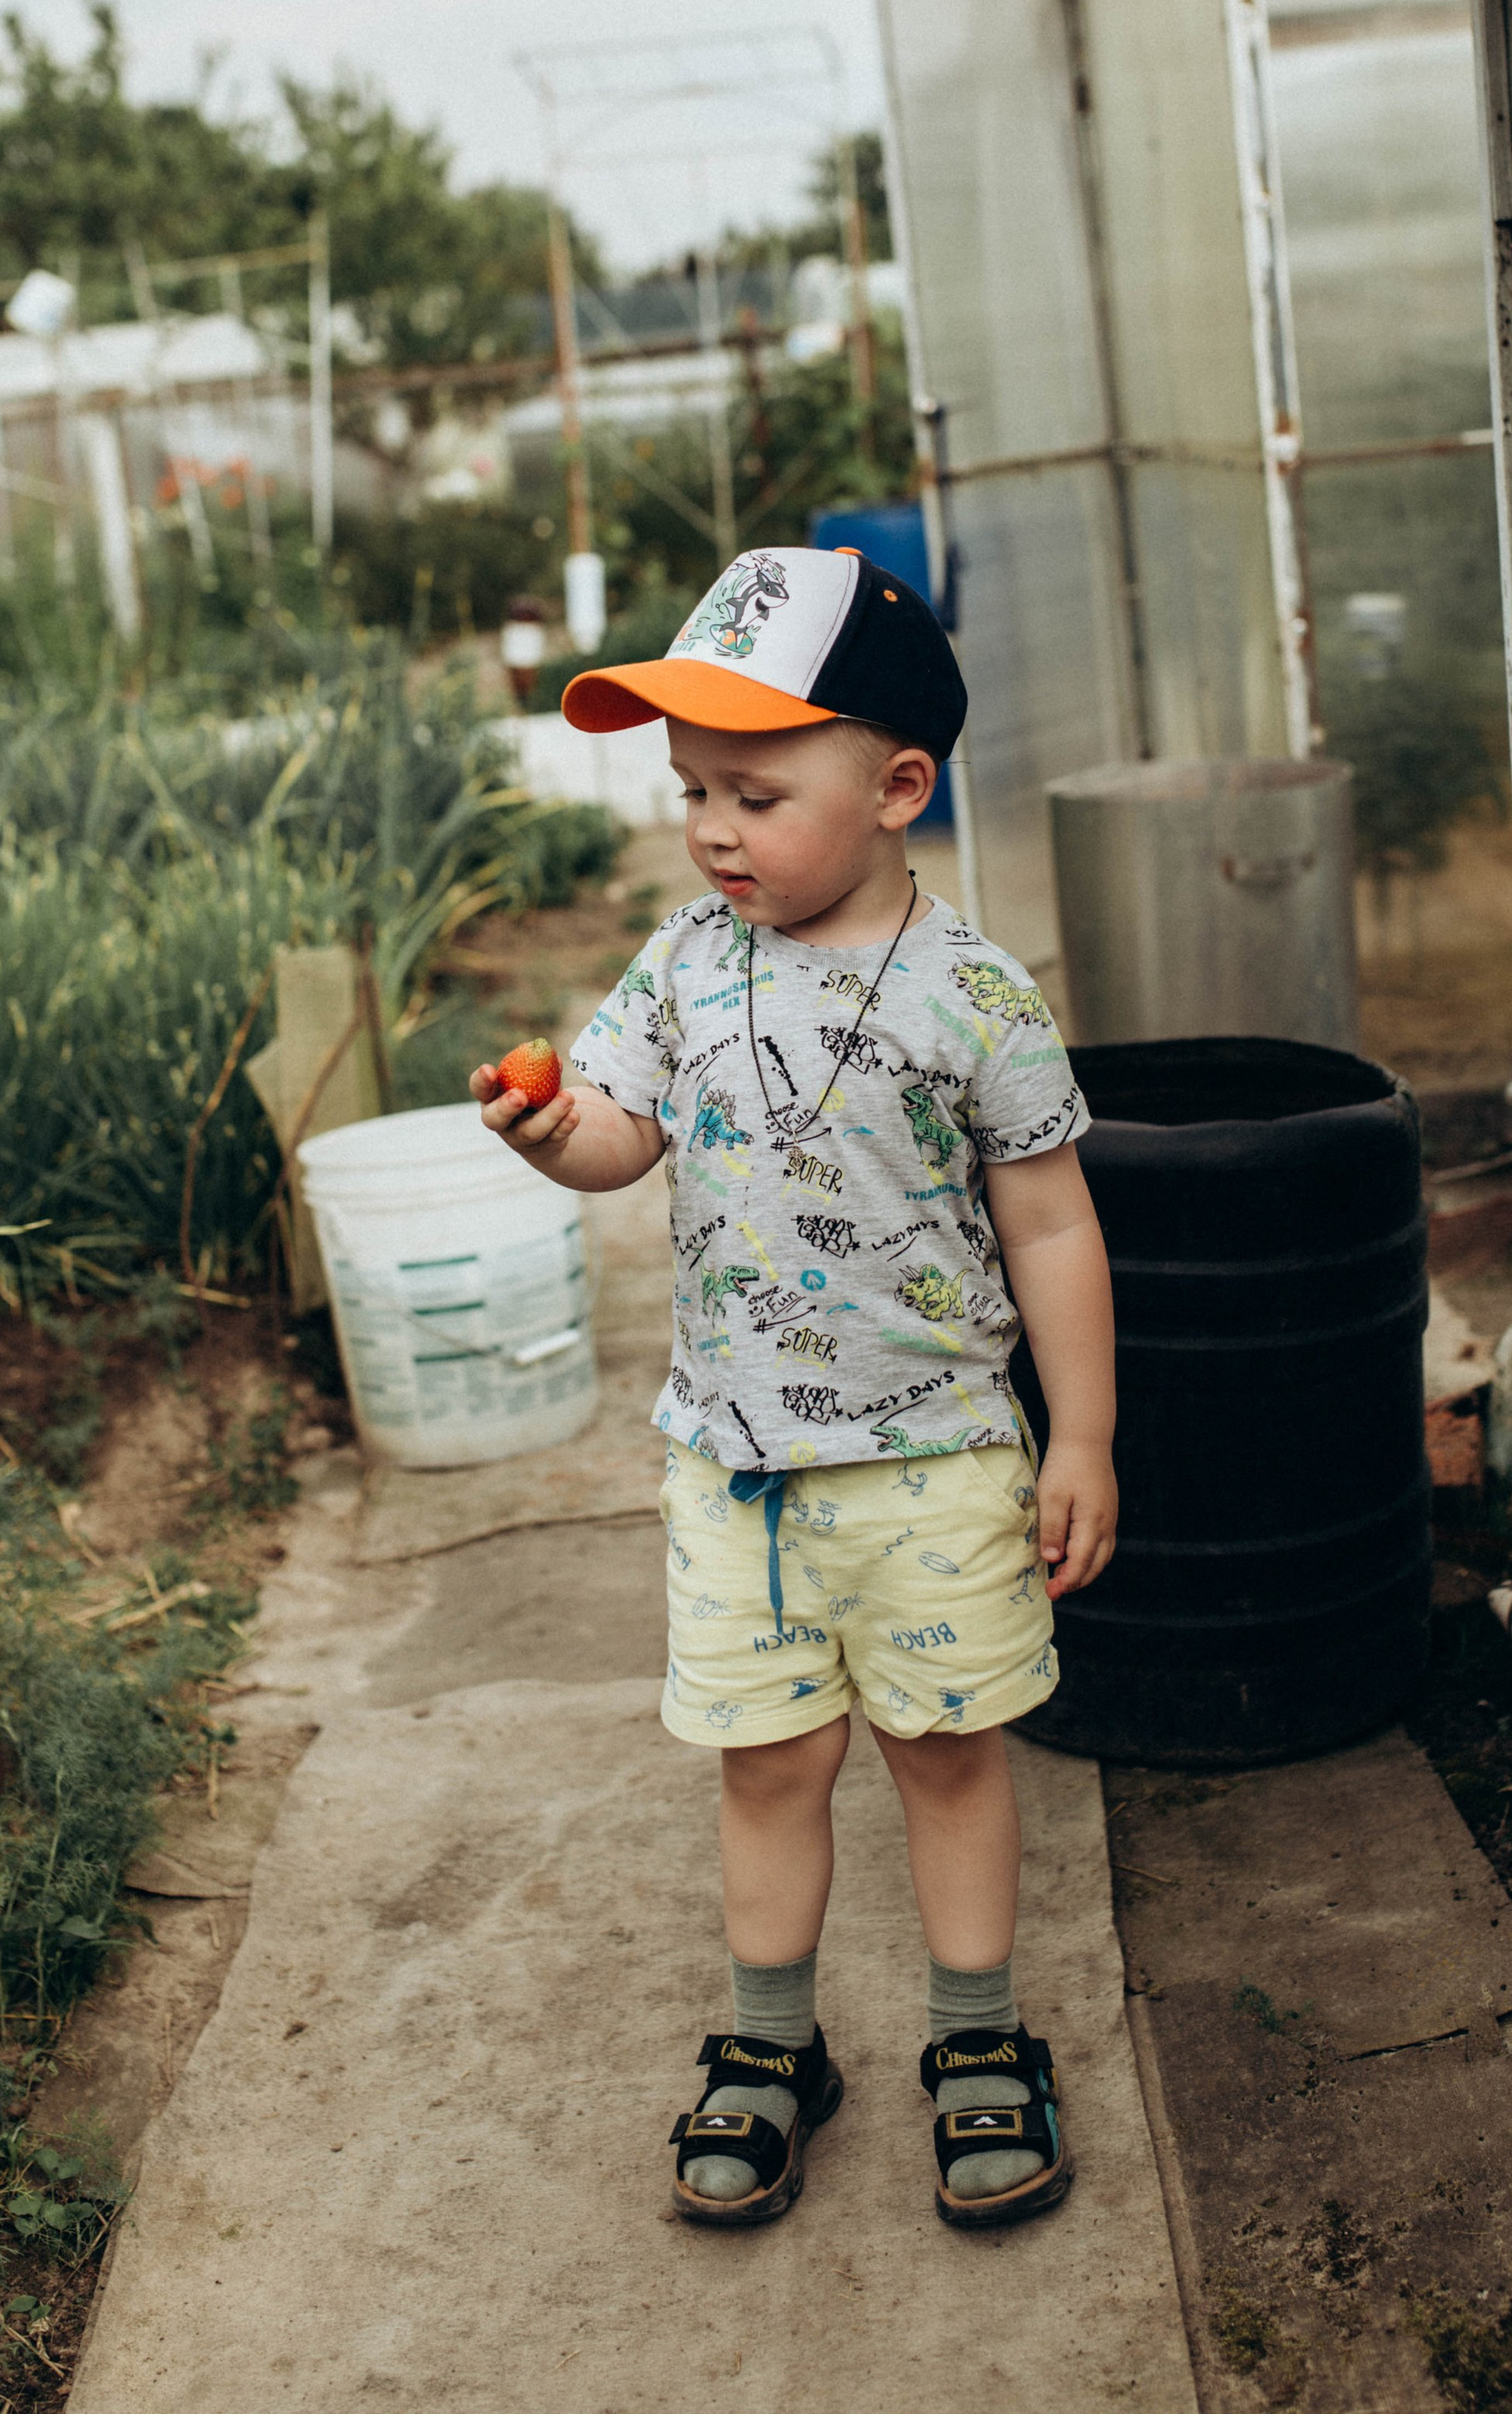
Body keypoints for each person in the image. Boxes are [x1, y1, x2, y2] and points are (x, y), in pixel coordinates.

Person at [470, 542, 1118, 2230]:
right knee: (765, 1764)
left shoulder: (973, 995)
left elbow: (1047, 1223)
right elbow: (622, 1135)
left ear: (897, 784)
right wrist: (557, 1137)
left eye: (754, 790)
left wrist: (1085, 1436)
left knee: (949, 1754)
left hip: (936, 1461)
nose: (709, 828)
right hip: (735, 1473)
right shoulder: (683, 964)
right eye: (690, 788)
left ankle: (976, 2041)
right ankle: (771, 2049)